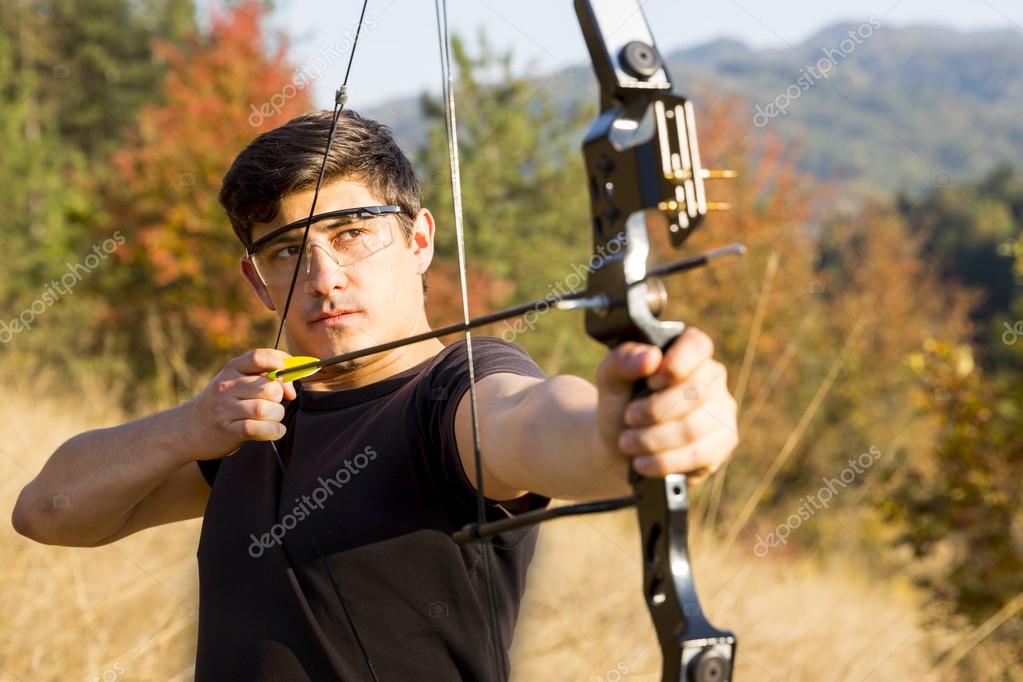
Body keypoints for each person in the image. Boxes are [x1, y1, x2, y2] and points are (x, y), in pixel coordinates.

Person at [12, 110, 739, 681]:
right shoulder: (252, 419)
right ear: (258, 281)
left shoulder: (453, 394)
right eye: (288, 250)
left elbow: (535, 422)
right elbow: (46, 512)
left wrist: (630, 429)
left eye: (352, 233)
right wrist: (192, 426)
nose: (324, 277)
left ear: (418, 240)